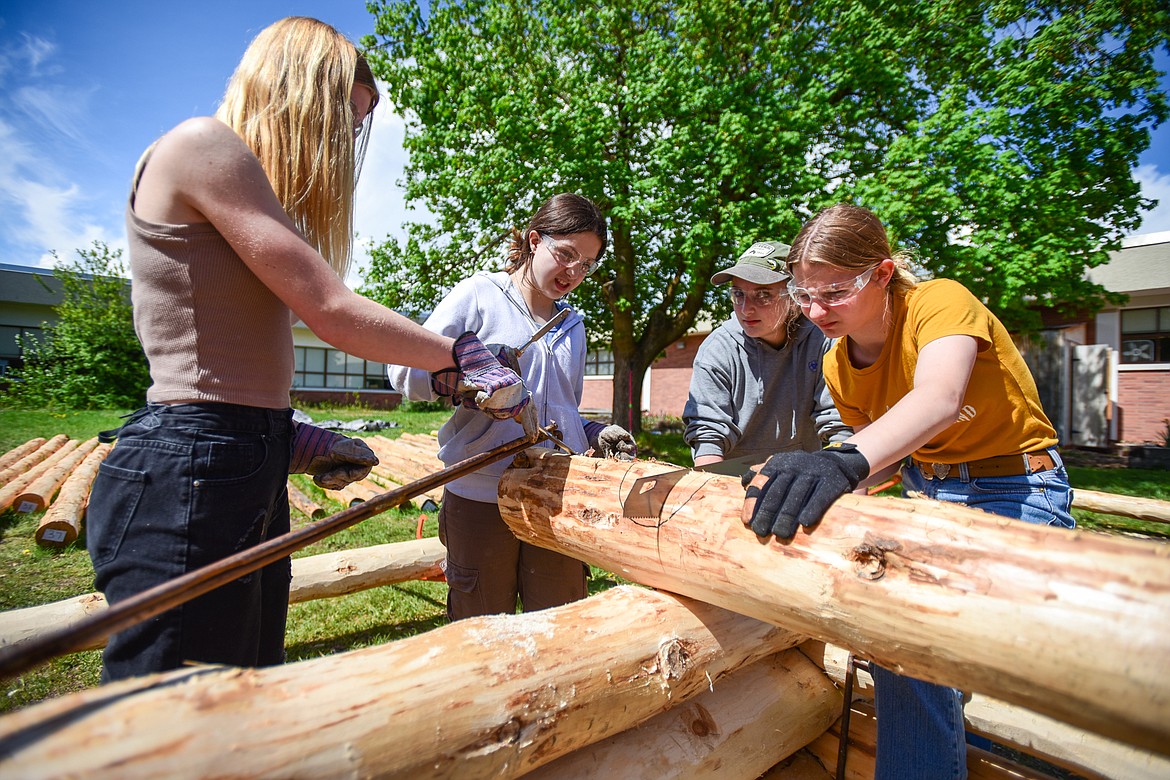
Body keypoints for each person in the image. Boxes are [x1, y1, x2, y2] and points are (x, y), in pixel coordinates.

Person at [86, 17, 528, 683]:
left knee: (241, 698)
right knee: (172, 722)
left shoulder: (249, 192)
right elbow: (333, 313)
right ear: (295, 91)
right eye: (342, 117)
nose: (347, 140)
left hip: (229, 458)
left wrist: (285, 437)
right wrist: (463, 353)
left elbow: (232, 360)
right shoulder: (202, 145)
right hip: (190, 465)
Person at [742, 203, 1074, 780]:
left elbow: (939, 400)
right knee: (898, 637)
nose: (816, 310)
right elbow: (885, 461)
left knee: (934, 633)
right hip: (930, 493)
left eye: (836, 291)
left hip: (1018, 489)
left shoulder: (939, 302)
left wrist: (840, 462)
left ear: (883, 273)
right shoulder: (838, 364)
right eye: (803, 294)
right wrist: (807, 483)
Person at [388, 193, 636, 621]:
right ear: (535, 239)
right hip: (480, 492)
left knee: (559, 620)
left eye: (587, 264)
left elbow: (560, 408)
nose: (574, 272)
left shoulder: (572, 325)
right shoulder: (479, 296)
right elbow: (404, 372)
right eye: (566, 254)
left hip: (553, 491)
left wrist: (590, 432)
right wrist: (466, 378)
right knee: (482, 624)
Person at [683, 240, 850, 475]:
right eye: (738, 294)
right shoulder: (718, 350)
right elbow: (708, 434)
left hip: (803, 478)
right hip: (733, 481)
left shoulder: (823, 341)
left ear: (795, 295)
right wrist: (712, 491)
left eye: (763, 295)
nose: (745, 308)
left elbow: (839, 425)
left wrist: (845, 495)